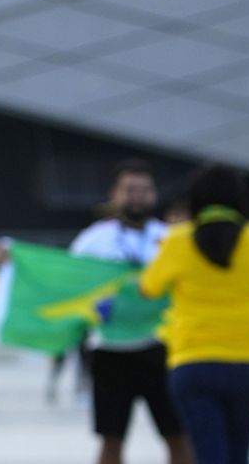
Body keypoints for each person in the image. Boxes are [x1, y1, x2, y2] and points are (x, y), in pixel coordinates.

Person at [139, 167, 249, 464]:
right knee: (239, 454)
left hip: (192, 361)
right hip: (247, 359)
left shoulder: (177, 240)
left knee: (208, 454)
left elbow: (149, 287)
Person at [71, 162, 192, 464]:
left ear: (154, 195)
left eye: (145, 190)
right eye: (130, 190)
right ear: (115, 194)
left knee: (178, 436)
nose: (137, 197)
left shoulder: (170, 239)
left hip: (161, 349)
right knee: (111, 441)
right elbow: (64, 284)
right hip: (109, 352)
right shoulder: (91, 241)